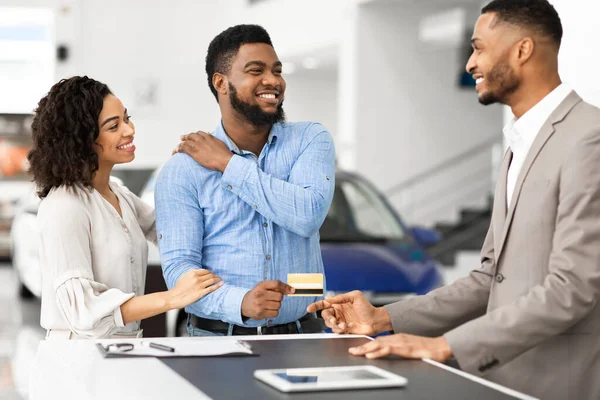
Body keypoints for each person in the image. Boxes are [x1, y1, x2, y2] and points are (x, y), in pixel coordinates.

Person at [308, 1, 600, 399]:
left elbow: (572, 288)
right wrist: (383, 316)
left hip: (557, 385)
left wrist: (444, 346)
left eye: (478, 48)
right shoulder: (518, 145)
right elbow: (488, 280)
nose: (469, 63)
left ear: (522, 50)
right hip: (500, 381)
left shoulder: (589, 137)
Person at [155, 24, 336, 336]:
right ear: (221, 83)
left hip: (304, 339)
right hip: (218, 346)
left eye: (277, 71)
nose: (273, 81)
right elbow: (179, 271)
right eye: (256, 70)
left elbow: (307, 217)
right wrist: (240, 301)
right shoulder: (183, 170)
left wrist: (227, 163)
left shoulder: (310, 139)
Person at [29, 76, 223, 339]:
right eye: (113, 126)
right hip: (77, 360)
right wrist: (172, 298)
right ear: (82, 139)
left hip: (121, 351)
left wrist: (199, 172)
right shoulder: (65, 206)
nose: (129, 130)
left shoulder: (118, 193)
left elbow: (170, 230)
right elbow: (83, 310)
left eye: (126, 118)